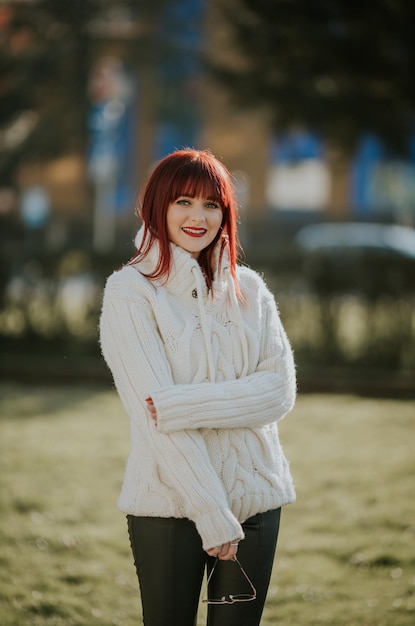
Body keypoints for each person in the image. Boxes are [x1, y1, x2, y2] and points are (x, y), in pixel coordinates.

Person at [99, 148, 296, 626]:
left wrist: (179, 404)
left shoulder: (251, 289)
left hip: (256, 500)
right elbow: (153, 420)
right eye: (183, 201)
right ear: (157, 206)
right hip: (169, 506)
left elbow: (279, 391)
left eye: (212, 205)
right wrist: (210, 511)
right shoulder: (131, 292)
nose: (198, 216)